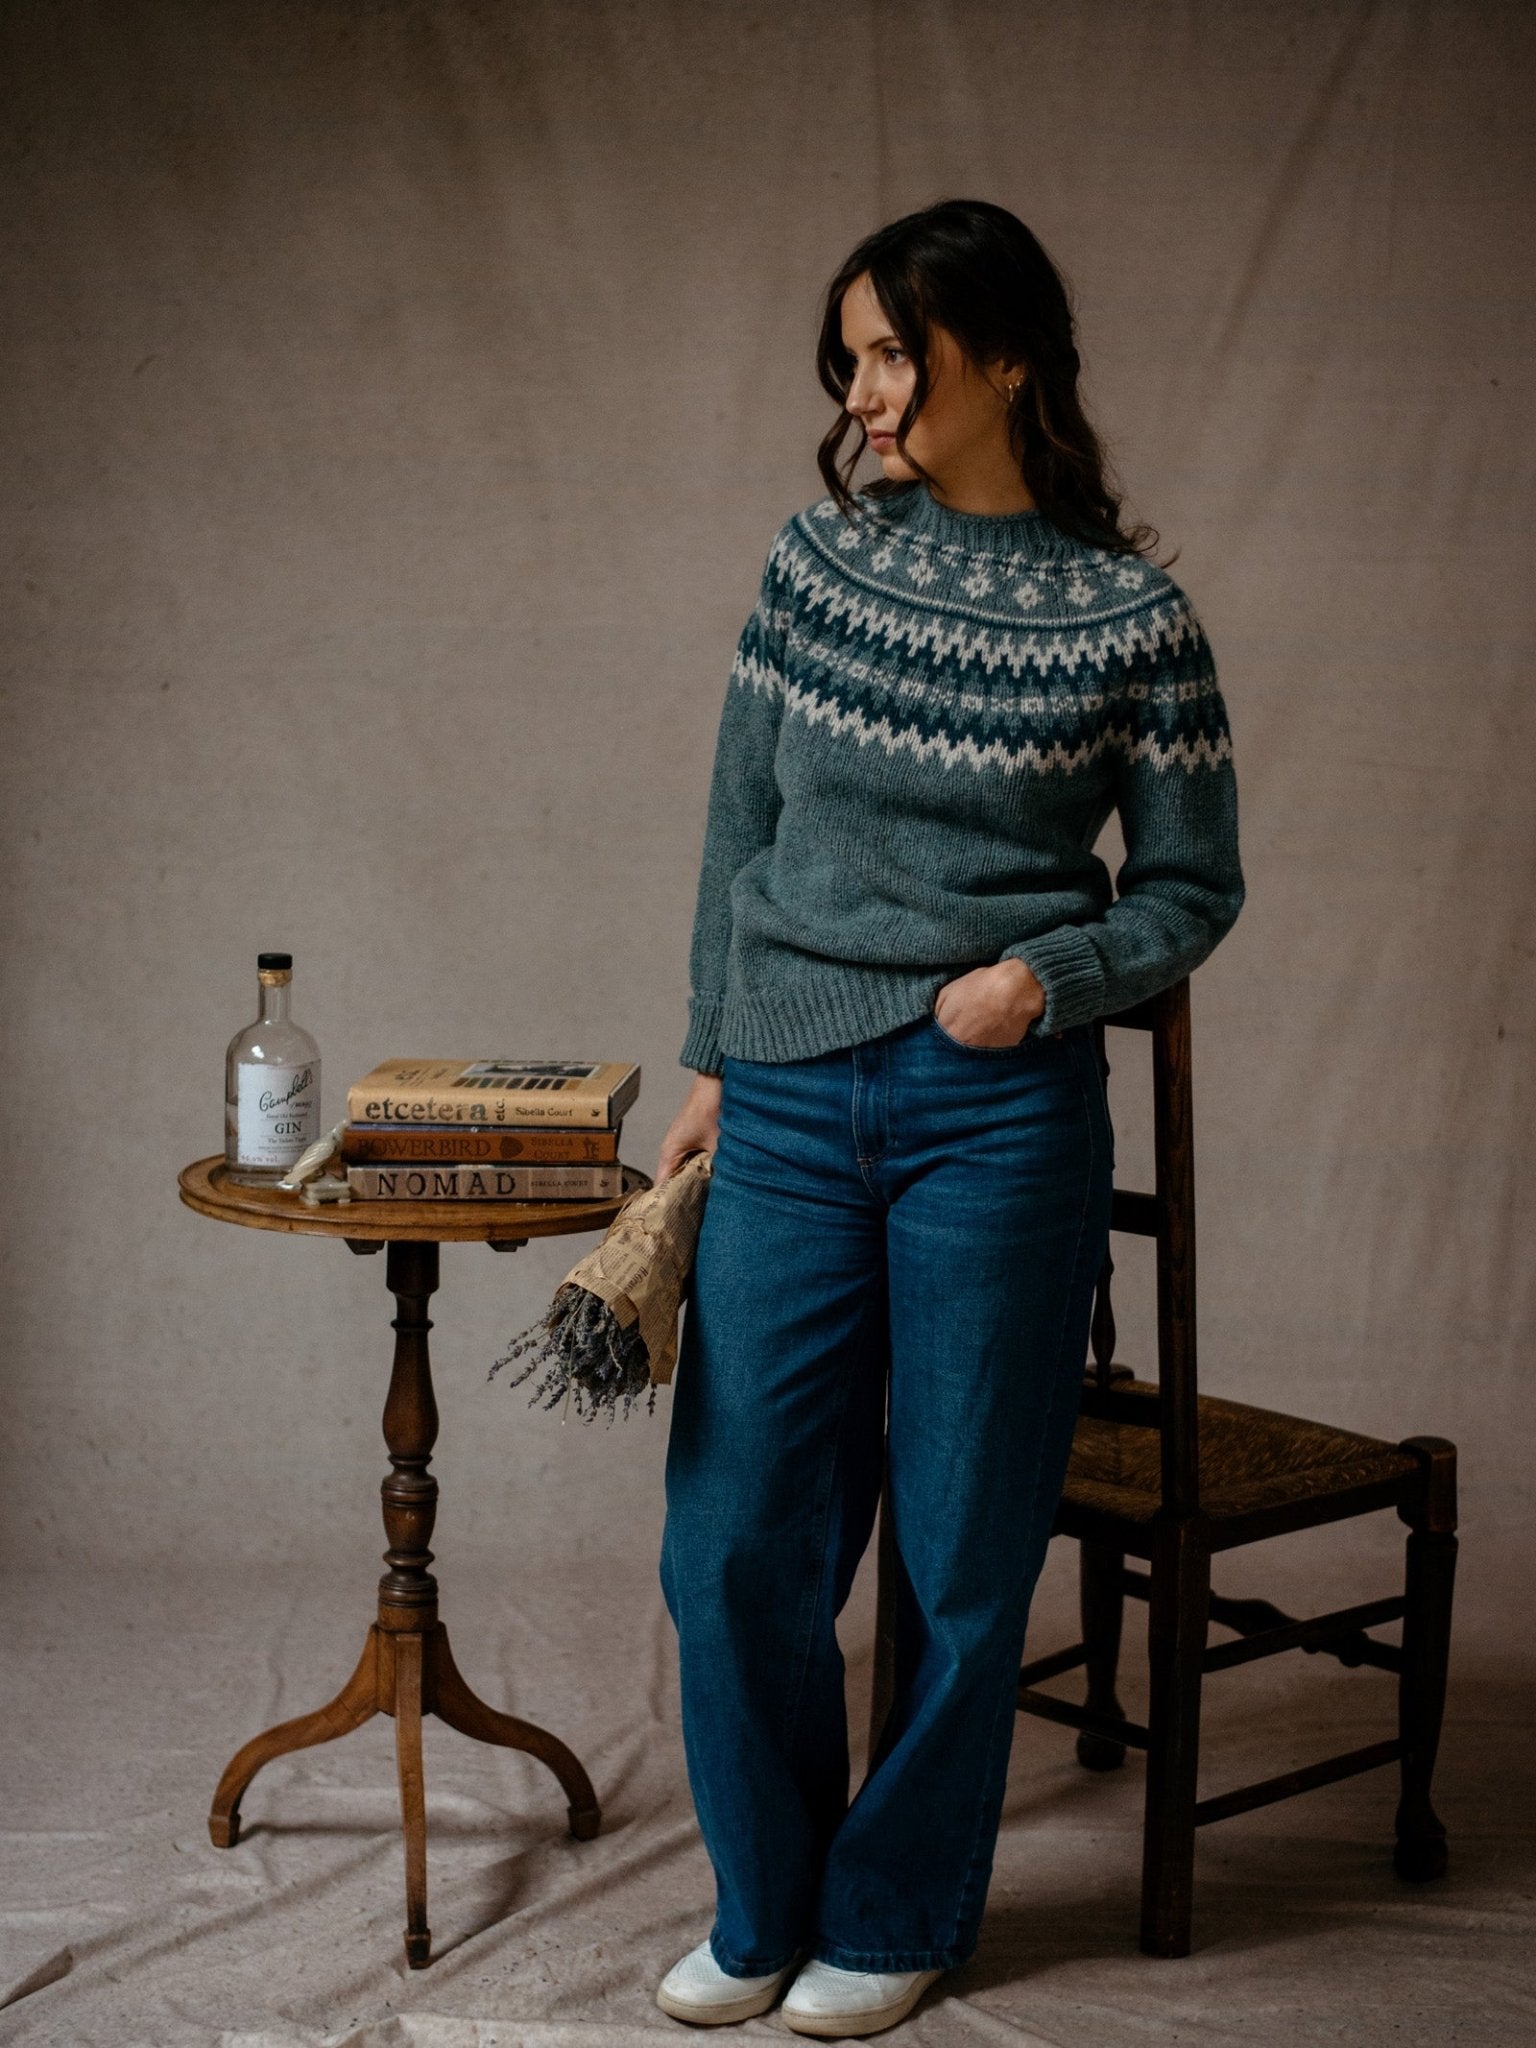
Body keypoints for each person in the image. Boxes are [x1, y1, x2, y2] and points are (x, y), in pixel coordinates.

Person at [649, 198, 1244, 2037]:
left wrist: (1048, 982)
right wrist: (711, 1055)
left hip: (998, 1115)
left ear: (1007, 360)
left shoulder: (1134, 612)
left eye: (898, 350)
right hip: (796, 1094)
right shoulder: (815, 565)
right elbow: (739, 829)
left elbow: (1194, 887)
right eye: (851, 354)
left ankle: (895, 1914)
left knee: (969, 1542)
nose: (866, 386)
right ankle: (765, 1910)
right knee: (737, 1531)